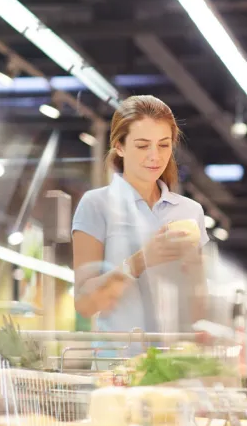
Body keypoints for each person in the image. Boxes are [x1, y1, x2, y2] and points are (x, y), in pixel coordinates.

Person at [72, 95, 209, 346]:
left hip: (177, 366)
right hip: (117, 367)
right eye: (143, 145)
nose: (155, 156)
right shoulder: (96, 205)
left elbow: (198, 308)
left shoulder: (190, 212)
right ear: (120, 146)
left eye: (164, 145)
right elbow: (84, 304)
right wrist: (138, 262)